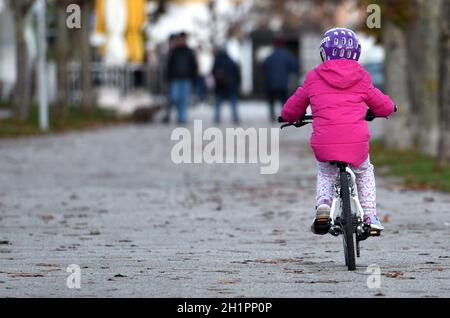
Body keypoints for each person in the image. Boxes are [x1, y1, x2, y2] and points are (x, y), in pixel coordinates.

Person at [280, 28, 396, 233]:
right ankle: (370, 216)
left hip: (324, 143)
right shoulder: (362, 77)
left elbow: (292, 108)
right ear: (356, 53)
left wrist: (289, 117)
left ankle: (324, 206)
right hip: (356, 143)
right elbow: (382, 105)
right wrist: (388, 108)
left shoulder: (313, 77)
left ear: (324, 52)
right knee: (364, 171)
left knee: (326, 172)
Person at [263, 36, 299, 122]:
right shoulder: (288, 55)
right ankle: (284, 115)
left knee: (271, 101)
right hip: (283, 83)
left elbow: (264, 67)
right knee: (284, 100)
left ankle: (272, 116)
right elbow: (295, 67)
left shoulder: (270, 56)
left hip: (270, 83)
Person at [167, 32, 198, 124]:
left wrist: (193, 77)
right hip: (175, 79)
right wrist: (168, 77)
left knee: (184, 99)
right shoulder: (174, 51)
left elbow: (194, 65)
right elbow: (169, 65)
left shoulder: (189, 51)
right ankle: (180, 114)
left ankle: (181, 118)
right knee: (175, 97)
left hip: (186, 79)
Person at [212, 48, 241, 124]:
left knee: (218, 102)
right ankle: (235, 117)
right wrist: (237, 84)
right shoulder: (231, 61)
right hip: (231, 85)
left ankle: (217, 117)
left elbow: (213, 72)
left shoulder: (217, 61)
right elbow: (237, 74)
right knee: (233, 101)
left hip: (220, 85)